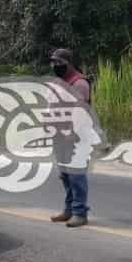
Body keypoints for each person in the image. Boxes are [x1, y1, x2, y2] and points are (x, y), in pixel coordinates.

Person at [49, 48, 92, 228]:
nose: (55, 66)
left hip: (75, 136)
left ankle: (80, 213)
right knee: (65, 175)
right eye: (53, 62)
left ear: (68, 63)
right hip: (59, 135)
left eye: (59, 63)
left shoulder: (79, 83)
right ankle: (68, 210)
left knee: (76, 176)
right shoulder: (59, 82)